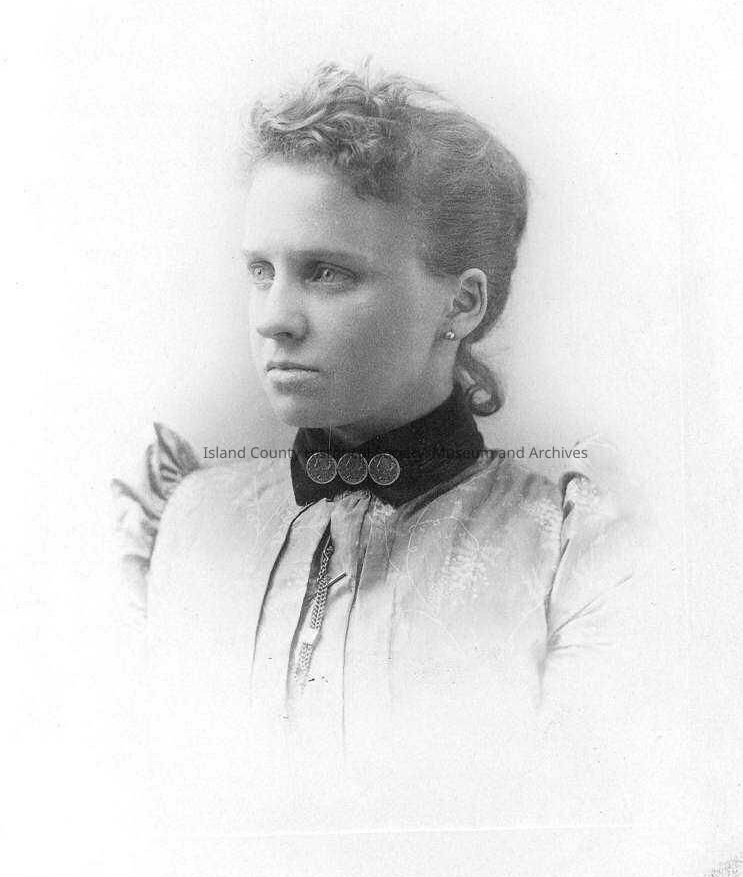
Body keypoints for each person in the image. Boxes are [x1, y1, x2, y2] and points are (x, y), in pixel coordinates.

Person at [114, 62, 639, 833]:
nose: (274, 318)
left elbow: (583, 832)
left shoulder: (566, 544)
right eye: (260, 271)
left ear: (461, 304)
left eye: (326, 272)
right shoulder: (186, 521)